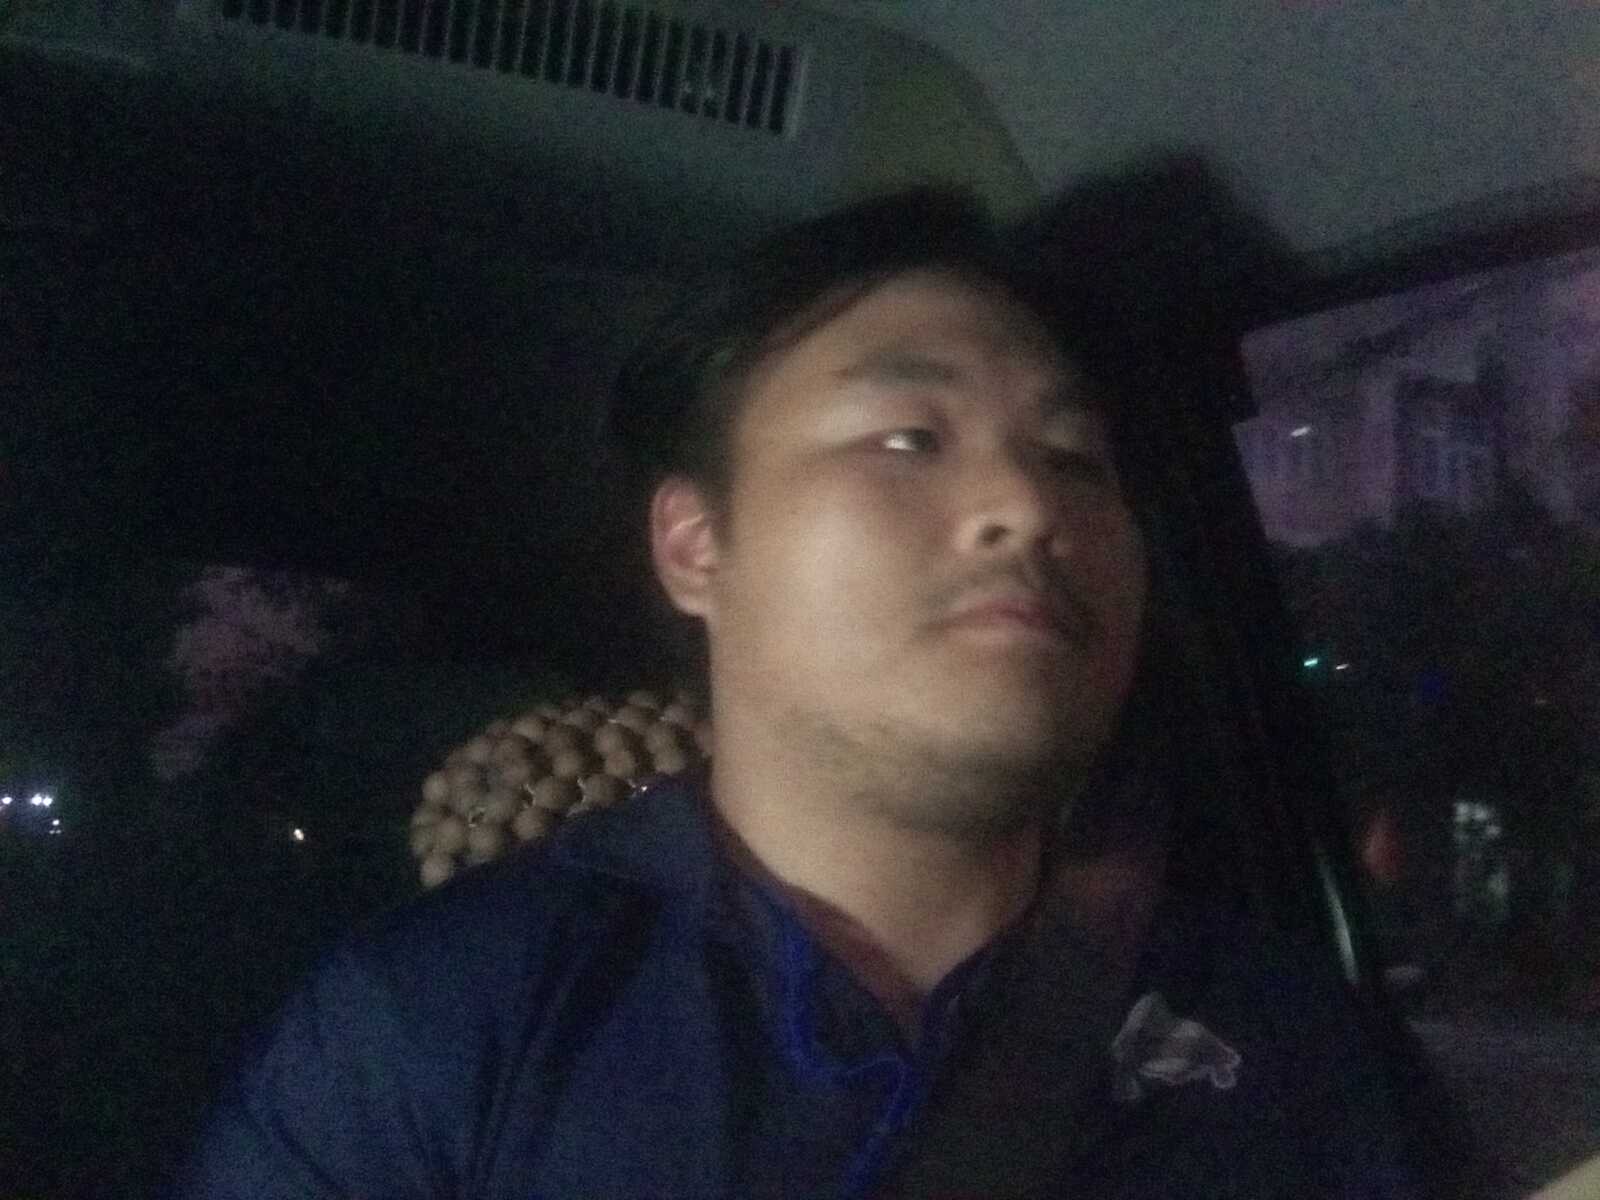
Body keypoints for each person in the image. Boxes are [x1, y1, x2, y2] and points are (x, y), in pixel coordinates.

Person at [176, 190, 1434, 1198]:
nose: (1028, 505)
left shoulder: (1291, 1047)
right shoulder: (444, 1027)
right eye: (908, 438)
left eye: (1074, 458)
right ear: (694, 546)